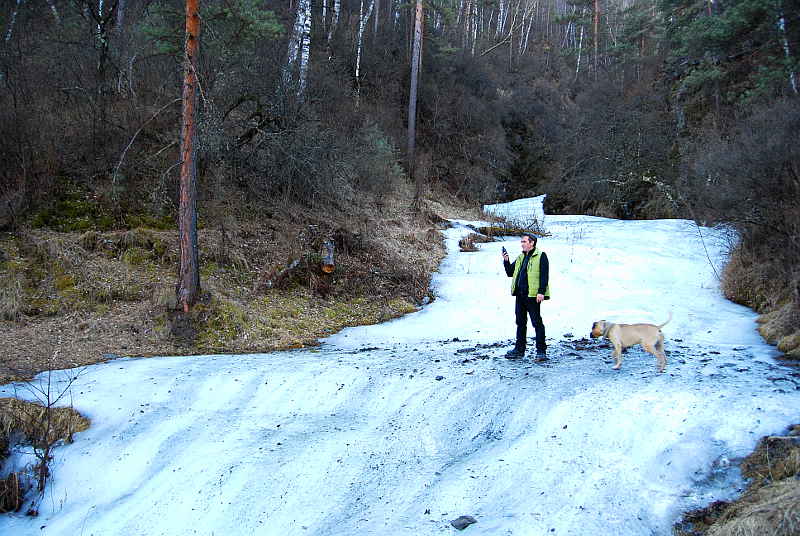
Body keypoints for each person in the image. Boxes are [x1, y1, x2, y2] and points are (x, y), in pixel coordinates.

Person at [502, 233, 550, 359]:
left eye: (524, 241)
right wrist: (506, 261)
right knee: (520, 323)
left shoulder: (541, 256)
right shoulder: (520, 257)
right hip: (520, 295)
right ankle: (519, 350)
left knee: (537, 323)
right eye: (521, 242)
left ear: (532, 242)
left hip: (533, 296)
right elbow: (510, 273)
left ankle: (541, 351)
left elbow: (544, 276)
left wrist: (541, 292)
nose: (522, 244)